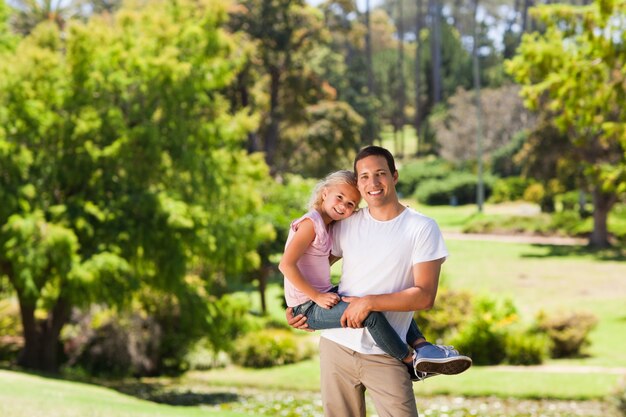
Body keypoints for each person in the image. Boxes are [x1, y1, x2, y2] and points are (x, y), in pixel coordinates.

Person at [286, 146, 471, 417]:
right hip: (337, 348)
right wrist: (303, 309)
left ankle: (417, 355)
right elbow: (311, 265)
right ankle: (421, 349)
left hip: (386, 353)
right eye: (364, 176)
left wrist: (368, 303)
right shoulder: (346, 223)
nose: (373, 183)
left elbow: (424, 296)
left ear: (394, 176)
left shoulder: (421, 227)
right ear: (358, 184)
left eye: (380, 173)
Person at [279, 170, 429, 375]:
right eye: (339, 197)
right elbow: (286, 265)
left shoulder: (327, 225)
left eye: (350, 204)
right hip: (308, 306)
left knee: (374, 295)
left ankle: (422, 345)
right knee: (370, 313)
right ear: (325, 193)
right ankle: (410, 362)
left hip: (319, 296)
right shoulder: (309, 224)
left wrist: (399, 215)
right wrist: (317, 297)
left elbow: (323, 260)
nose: (343, 206)